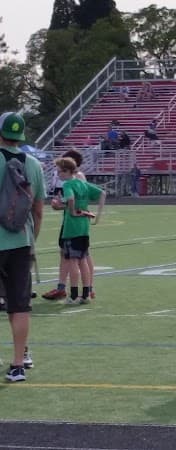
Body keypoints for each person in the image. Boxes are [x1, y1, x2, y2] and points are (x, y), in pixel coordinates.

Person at [0, 112, 46, 382]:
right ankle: (19, 363)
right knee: (20, 305)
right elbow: (38, 211)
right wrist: (32, 240)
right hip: (21, 241)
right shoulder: (34, 165)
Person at [42, 149, 97, 302]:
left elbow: (76, 201)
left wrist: (59, 205)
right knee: (77, 255)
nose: (59, 172)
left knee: (78, 257)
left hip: (73, 222)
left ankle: (76, 290)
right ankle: (80, 289)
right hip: (75, 220)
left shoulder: (76, 179)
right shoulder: (77, 179)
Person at [53, 157, 106, 305]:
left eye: (59, 171)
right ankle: (86, 294)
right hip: (84, 227)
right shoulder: (82, 184)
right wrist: (98, 216)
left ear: (67, 171)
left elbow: (70, 199)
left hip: (72, 228)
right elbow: (102, 193)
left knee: (72, 262)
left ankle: (74, 295)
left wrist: (71, 211)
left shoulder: (68, 184)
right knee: (83, 261)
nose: (58, 174)